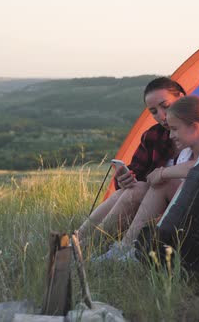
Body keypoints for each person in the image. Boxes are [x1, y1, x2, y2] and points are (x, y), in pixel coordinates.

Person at [96, 95, 199, 261]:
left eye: (175, 129)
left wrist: (163, 173)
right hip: (180, 216)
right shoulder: (185, 153)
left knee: (164, 184)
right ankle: (88, 241)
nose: (170, 136)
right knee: (135, 189)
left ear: (194, 127)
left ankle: (128, 250)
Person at [77, 77, 186, 245]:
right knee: (129, 190)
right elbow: (135, 172)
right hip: (151, 208)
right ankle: (76, 240)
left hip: (185, 211)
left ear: (181, 98)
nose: (162, 116)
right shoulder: (154, 136)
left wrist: (163, 174)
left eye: (166, 106)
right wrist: (124, 179)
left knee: (140, 189)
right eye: (154, 111)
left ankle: (91, 246)